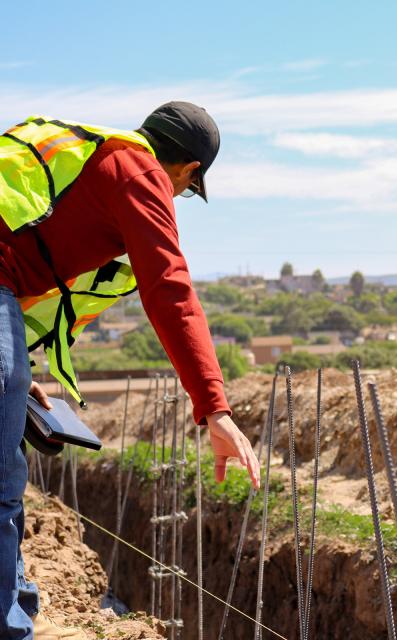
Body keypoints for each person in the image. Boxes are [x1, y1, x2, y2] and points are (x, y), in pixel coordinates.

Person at [0, 103, 261, 639]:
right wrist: (214, 407)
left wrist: (17, 374)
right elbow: (170, 290)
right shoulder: (139, 174)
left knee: (8, 461)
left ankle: (17, 604)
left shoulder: (100, 157)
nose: (179, 198)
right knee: (1, 477)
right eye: (188, 188)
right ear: (187, 169)